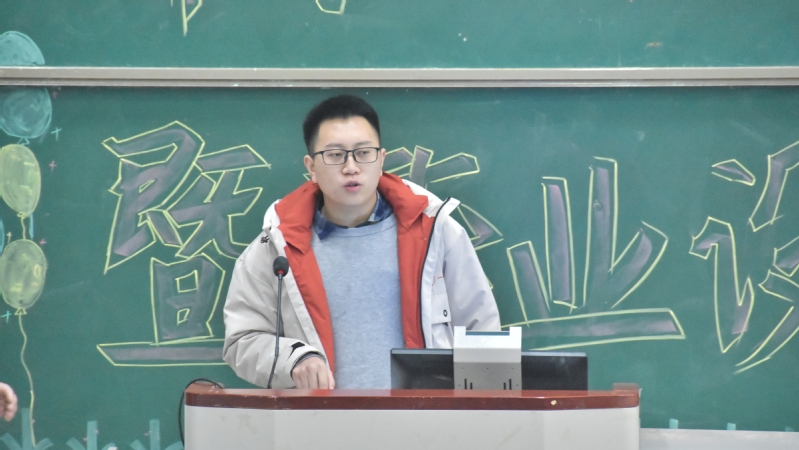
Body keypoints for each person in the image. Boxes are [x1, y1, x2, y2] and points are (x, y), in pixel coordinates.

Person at [223, 94, 500, 389]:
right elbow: (242, 340)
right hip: (316, 417)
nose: (351, 167)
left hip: (425, 415)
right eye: (334, 155)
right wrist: (294, 360)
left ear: (381, 160)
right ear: (311, 167)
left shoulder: (436, 232)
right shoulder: (275, 246)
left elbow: (481, 330)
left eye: (363, 152)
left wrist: (479, 409)